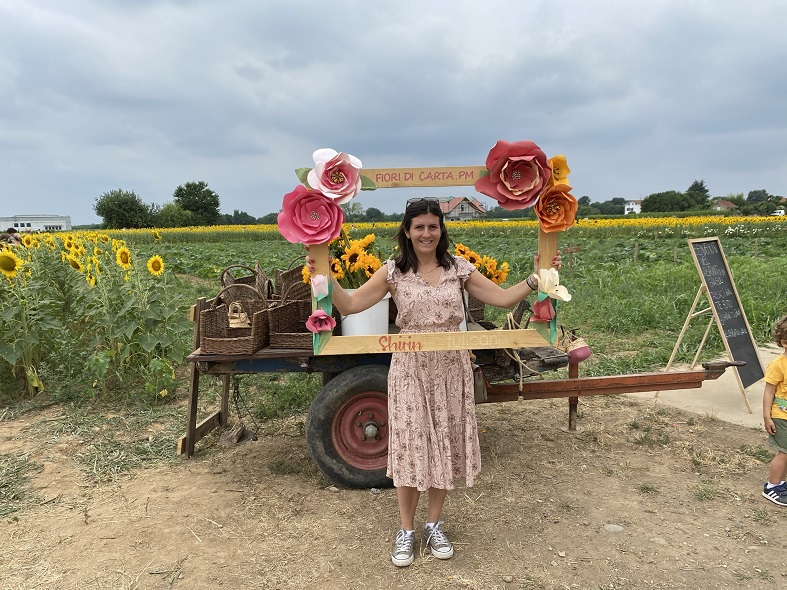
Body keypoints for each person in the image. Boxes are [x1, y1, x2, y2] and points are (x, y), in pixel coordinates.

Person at [311, 197, 561, 566]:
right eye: (419, 227)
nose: (426, 233)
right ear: (407, 232)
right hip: (410, 368)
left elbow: (504, 299)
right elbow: (348, 305)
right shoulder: (394, 271)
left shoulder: (457, 267)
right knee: (411, 446)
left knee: (445, 439)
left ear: (441, 229)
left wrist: (536, 278)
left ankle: (433, 524)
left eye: (433, 226)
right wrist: (322, 272)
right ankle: (406, 530)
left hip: (451, 367)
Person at [762, 315, 787, 506]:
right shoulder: (778, 365)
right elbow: (769, 391)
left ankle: (781, 483)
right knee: (784, 452)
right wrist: (767, 416)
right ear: (784, 342)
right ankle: (772, 486)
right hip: (781, 416)